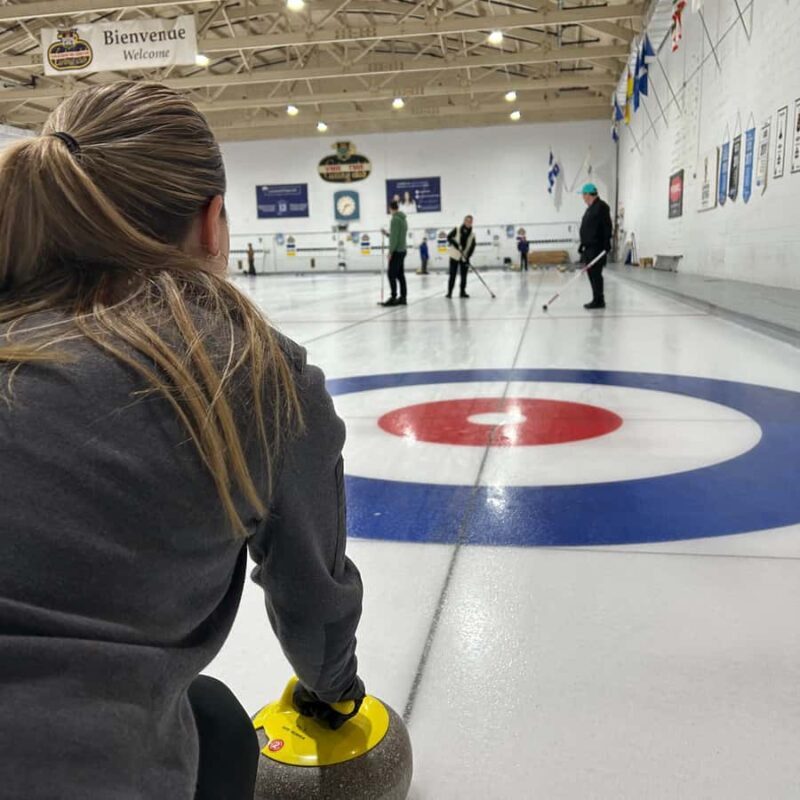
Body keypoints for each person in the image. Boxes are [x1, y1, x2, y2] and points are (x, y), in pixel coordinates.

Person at [0, 81, 365, 800]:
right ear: (211, 223)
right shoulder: (252, 371)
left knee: (217, 721)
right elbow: (314, 608)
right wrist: (338, 692)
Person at [579, 182, 613, 309]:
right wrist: (582, 244)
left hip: (597, 247)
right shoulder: (590, 208)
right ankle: (596, 298)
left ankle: (599, 300)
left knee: (596, 274)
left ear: (588, 194)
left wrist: (606, 243)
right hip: (589, 247)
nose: (583, 197)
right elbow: (587, 228)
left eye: (583, 195)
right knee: (591, 274)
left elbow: (607, 226)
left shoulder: (601, 207)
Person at [382, 199, 408, 306]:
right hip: (402, 250)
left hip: (397, 251)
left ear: (390, 208)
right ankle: (403, 297)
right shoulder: (403, 219)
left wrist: (390, 251)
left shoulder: (395, 219)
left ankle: (393, 297)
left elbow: (395, 239)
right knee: (400, 275)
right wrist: (387, 234)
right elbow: (396, 236)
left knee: (391, 274)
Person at [446, 215, 476, 298]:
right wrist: (456, 245)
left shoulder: (472, 235)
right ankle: (449, 292)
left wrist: (468, 257)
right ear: (464, 221)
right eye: (467, 221)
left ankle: (462, 292)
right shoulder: (457, 229)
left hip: (464, 257)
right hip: (454, 256)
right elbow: (449, 237)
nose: (468, 223)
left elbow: (472, 247)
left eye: (470, 221)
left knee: (464, 275)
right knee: (452, 275)